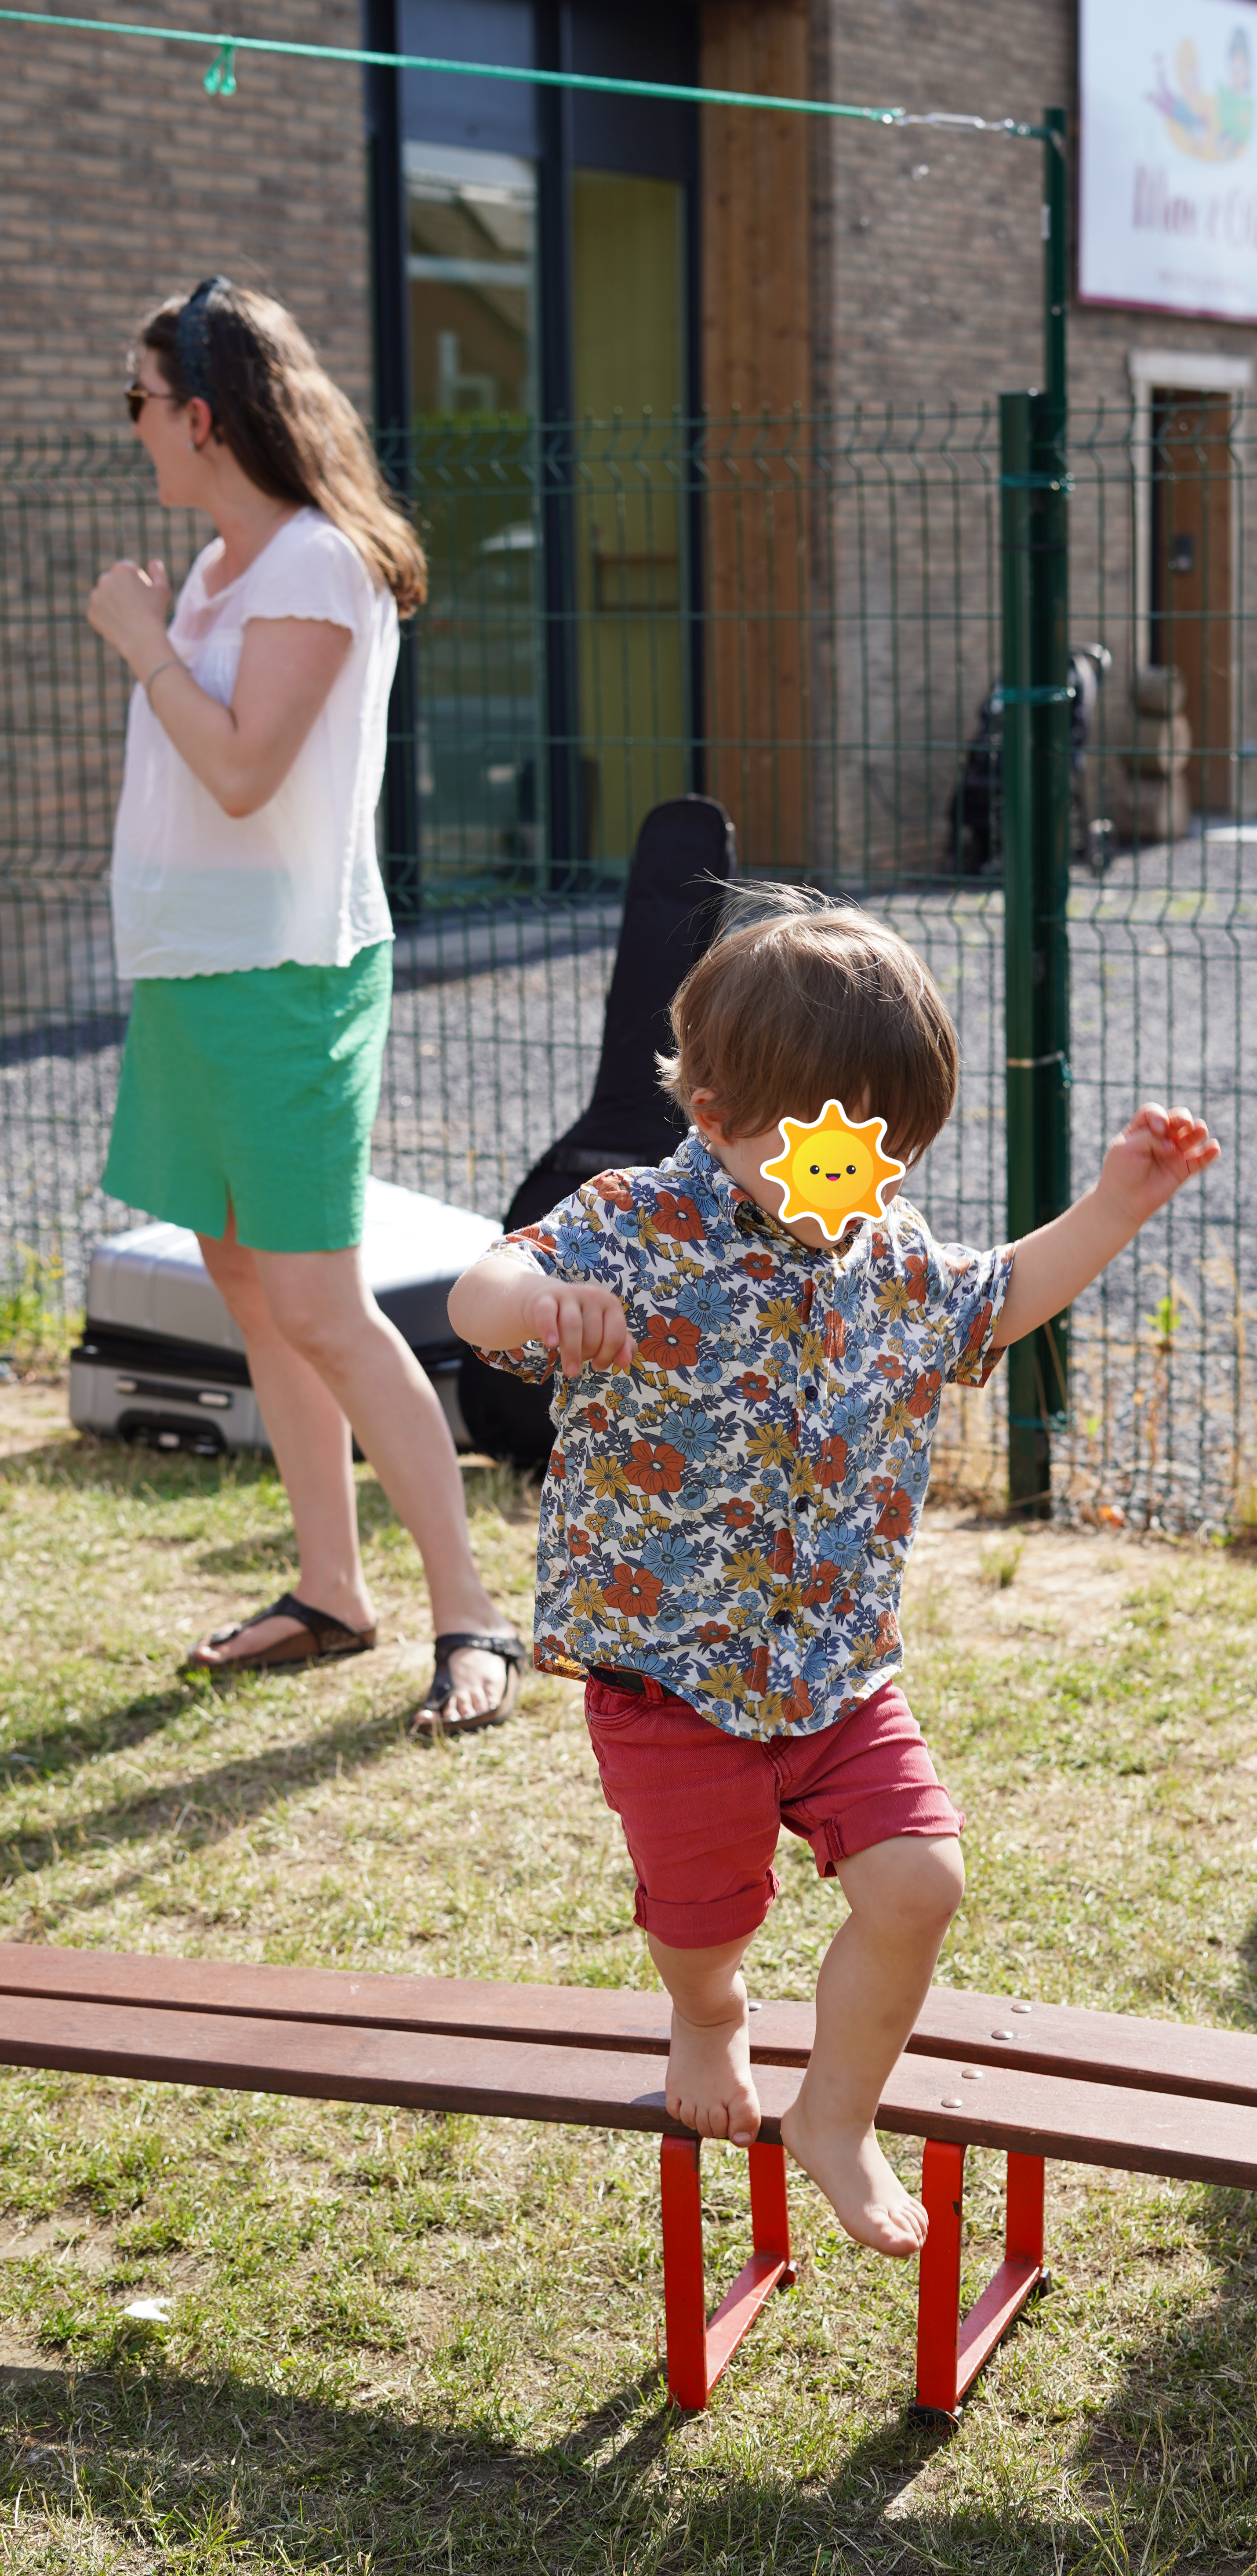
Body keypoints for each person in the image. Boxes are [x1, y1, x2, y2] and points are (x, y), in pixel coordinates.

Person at [447, 890, 1220, 2255]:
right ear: (711, 1109)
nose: (855, 1178)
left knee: (920, 1885)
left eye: (886, 1148)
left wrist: (1114, 1202)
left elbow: (1000, 1295)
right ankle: (709, 2015)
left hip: (837, 1672)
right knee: (703, 1921)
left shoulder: (890, 1251)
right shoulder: (633, 1221)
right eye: (820, 1146)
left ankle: (837, 2117)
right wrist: (539, 1306)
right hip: (669, 1679)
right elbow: (480, 1294)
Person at [87, 277, 523, 1732]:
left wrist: (140, 642)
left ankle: (473, 1621)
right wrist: (166, 625)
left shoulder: (315, 569)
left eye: (140, 401)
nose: (134, 428)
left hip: (287, 976)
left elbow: (239, 769)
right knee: (249, 1288)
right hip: (198, 974)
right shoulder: (217, 570)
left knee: (324, 1304)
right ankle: (333, 1592)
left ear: (201, 415)